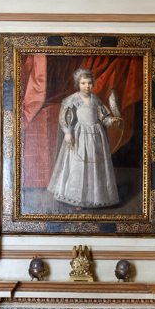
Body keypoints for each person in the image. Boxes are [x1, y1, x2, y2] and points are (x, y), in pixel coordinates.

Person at [46, 68, 122, 208]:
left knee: (95, 166)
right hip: (79, 136)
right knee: (78, 167)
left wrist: (112, 121)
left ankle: (94, 198)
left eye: (89, 83)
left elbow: (104, 117)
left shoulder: (96, 100)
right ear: (78, 84)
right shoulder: (72, 100)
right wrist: (68, 132)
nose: (87, 86)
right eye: (83, 83)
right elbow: (64, 118)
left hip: (96, 137)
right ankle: (77, 199)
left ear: (93, 84)